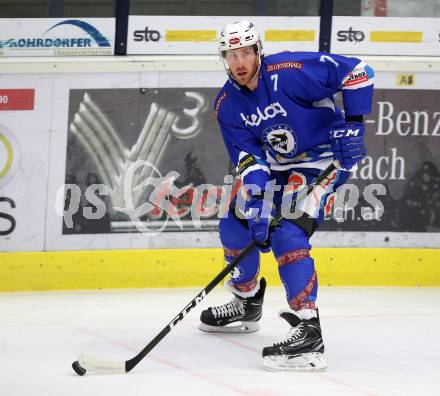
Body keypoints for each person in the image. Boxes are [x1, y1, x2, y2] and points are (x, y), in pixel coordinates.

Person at [199, 20, 374, 371]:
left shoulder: (290, 70)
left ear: (258, 50)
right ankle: (246, 302)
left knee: (288, 231)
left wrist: (354, 123)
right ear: (223, 58)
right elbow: (250, 162)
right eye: (231, 55)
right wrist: (258, 205)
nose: (240, 61)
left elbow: (358, 71)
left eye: (246, 52)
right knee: (235, 223)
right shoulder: (226, 105)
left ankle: (309, 331)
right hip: (278, 167)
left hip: (324, 160)